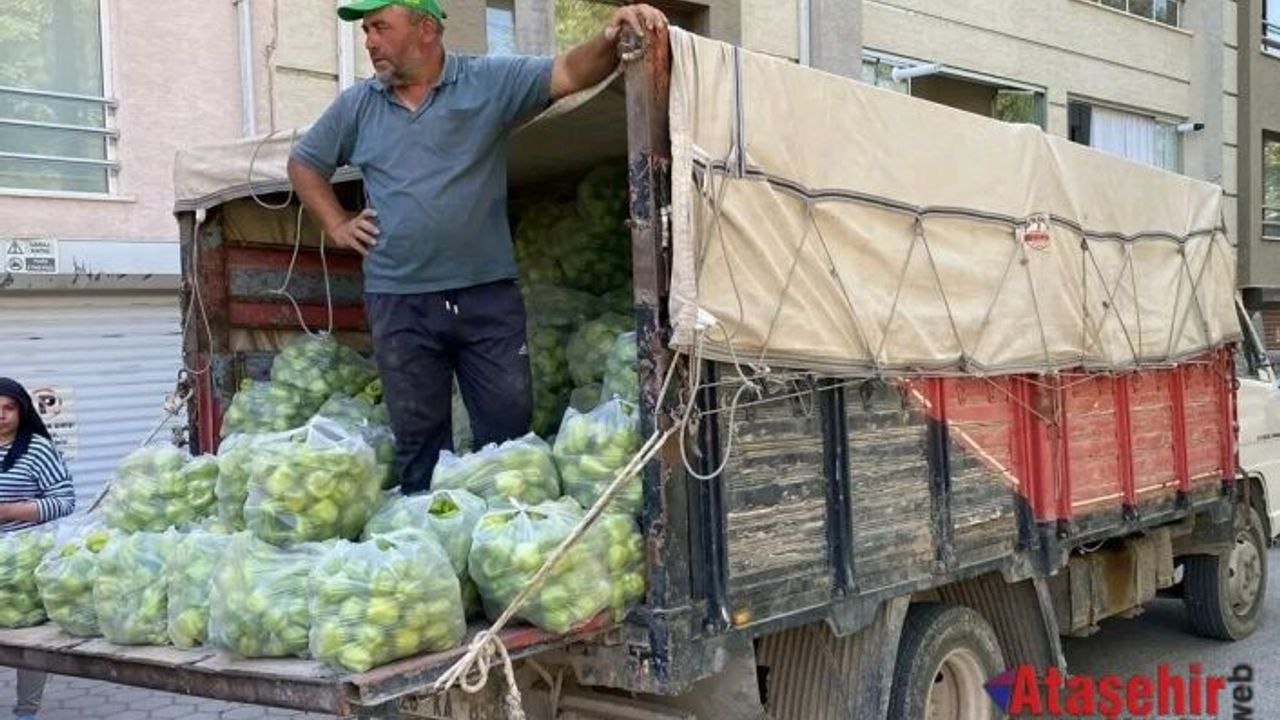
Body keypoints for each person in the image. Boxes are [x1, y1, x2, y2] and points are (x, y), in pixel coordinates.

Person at [288, 0, 667, 493]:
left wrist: (610, 34)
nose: (369, 41)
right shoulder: (357, 106)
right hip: (399, 300)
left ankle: (503, 534)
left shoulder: (486, 83)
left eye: (380, 27)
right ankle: (431, 538)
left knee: (506, 436)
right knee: (418, 441)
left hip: (486, 298)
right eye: (365, 31)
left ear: (425, 28)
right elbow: (304, 163)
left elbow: (570, 71)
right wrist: (336, 222)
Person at [0, 378, 75, 720]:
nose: (1, 416)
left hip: (23, 559)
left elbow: (64, 500)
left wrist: (10, 511)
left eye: (9, 408)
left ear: (22, 410)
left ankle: (26, 711)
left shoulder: (37, 449)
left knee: (26, 640)